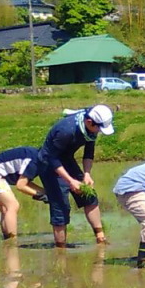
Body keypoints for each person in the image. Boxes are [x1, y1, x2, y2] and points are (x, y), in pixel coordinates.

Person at [39, 105, 114, 247]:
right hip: (48, 164)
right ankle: (61, 249)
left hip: (66, 159)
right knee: (61, 206)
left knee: (89, 196)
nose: (99, 132)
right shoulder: (66, 131)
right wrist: (70, 181)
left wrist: (87, 174)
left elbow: (89, 152)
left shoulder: (91, 127)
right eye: (99, 128)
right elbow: (52, 158)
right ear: (89, 122)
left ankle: (100, 238)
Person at [0, 146, 48, 240]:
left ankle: (7, 238)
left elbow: (24, 181)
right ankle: (12, 240)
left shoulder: (35, 156)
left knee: (5, 209)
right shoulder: (34, 162)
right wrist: (40, 195)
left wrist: (44, 192)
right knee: (12, 205)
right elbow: (21, 186)